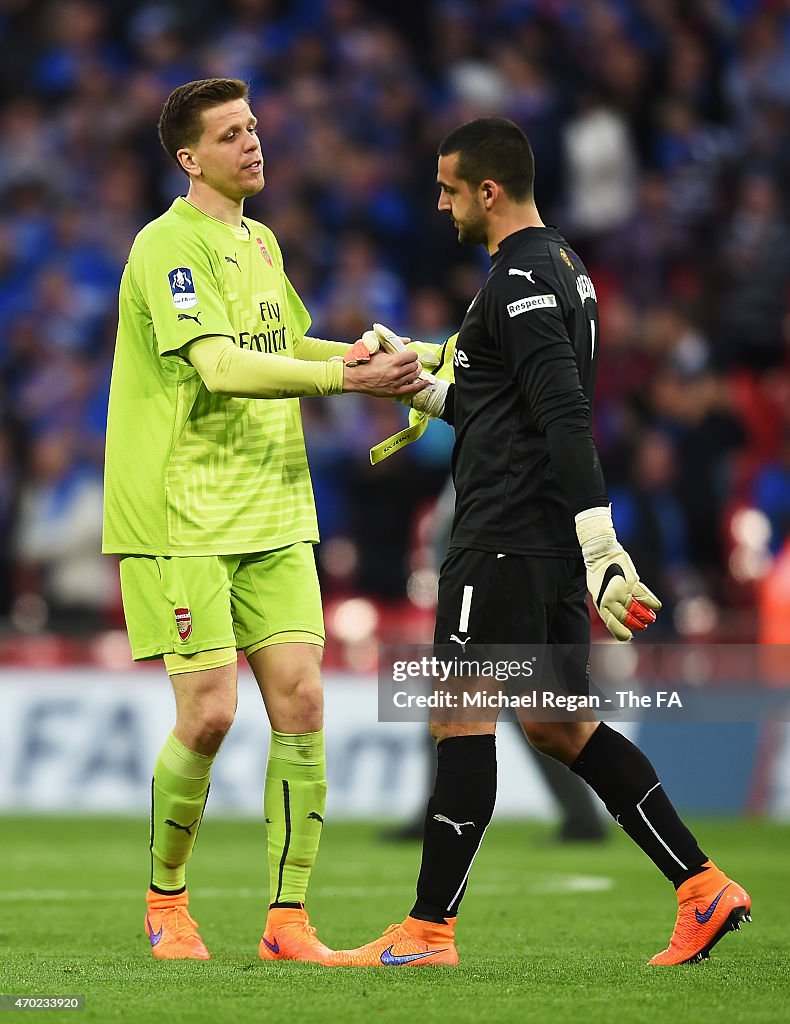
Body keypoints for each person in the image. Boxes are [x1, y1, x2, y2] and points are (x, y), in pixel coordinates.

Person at [331, 117, 750, 968]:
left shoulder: (518, 278)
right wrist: (418, 387)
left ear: (488, 190)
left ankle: (428, 930)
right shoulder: (559, 267)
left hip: (506, 536)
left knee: (456, 713)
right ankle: (701, 888)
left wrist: (604, 546)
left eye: (449, 187)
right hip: (538, 535)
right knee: (560, 726)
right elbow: (502, 408)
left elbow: (563, 414)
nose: (440, 202)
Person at [101, 77, 425, 963]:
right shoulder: (166, 246)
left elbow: (287, 348)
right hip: (182, 513)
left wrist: (391, 354)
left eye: (253, 128)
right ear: (188, 157)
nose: (252, 144)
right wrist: (343, 380)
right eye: (230, 134)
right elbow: (217, 366)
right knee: (209, 715)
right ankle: (167, 901)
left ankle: (289, 925)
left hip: (274, 507)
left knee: (304, 704)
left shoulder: (263, 242)